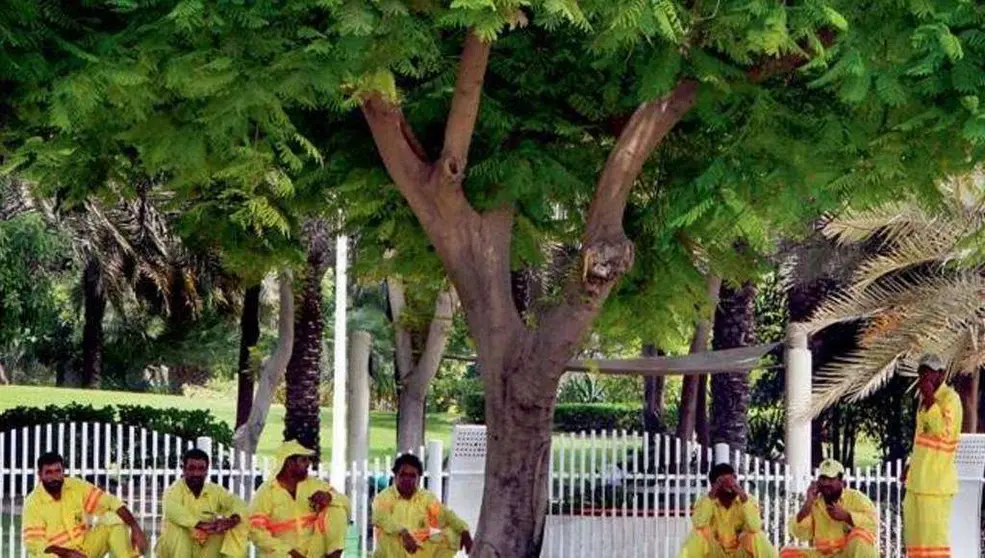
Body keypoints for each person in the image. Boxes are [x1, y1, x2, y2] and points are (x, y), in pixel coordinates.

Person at [22, 452, 148, 558]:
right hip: (57, 555)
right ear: (40, 475)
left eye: (57, 471)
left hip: (84, 550)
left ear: (63, 471)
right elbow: (34, 543)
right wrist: (68, 553)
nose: (54, 477)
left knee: (113, 518)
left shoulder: (75, 486)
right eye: (48, 472)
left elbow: (110, 502)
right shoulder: (33, 502)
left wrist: (135, 527)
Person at [903, 353, 962, 558]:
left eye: (929, 373)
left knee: (934, 546)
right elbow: (922, 440)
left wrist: (929, 398)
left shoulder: (950, 399)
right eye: (921, 374)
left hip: (935, 486)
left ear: (941, 374)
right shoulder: (925, 402)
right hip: (917, 482)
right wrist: (911, 465)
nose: (925, 378)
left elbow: (941, 431)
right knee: (915, 544)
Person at [248, 440, 350, 558]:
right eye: (303, 460)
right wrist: (288, 552)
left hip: (314, 552)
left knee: (336, 507)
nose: (308, 464)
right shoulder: (266, 491)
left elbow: (346, 503)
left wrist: (329, 497)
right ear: (289, 463)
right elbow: (255, 530)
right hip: (281, 554)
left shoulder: (315, 484)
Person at [371, 453, 473, 558]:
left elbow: (446, 515)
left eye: (412, 476)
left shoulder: (426, 498)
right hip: (391, 554)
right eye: (403, 474)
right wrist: (403, 532)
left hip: (417, 551)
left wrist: (464, 530)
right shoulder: (384, 497)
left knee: (454, 535)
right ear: (396, 475)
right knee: (390, 535)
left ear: (419, 478)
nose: (407, 479)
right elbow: (381, 518)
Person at [156, 447, 249, 558]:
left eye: (201, 469)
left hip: (204, 546)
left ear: (206, 470)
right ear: (184, 469)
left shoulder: (214, 491)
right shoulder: (173, 491)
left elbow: (236, 502)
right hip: (177, 549)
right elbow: (173, 511)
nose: (196, 473)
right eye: (191, 468)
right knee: (179, 529)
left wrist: (232, 520)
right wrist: (200, 525)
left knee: (235, 525)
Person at [677, 463, 778, 558]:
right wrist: (715, 490)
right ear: (714, 485)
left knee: (755, 534)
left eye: (732, 479)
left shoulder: (747, 500)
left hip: (740, 553)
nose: (729, 484)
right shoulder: (705, 501)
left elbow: (755, 526)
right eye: (723, 481)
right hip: (715, 552)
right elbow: (699, 523)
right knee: (699, 532)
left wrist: (741, 494)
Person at [780, 459, 877, 558]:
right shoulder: (815, 503)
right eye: (823, 479)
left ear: (841, 481)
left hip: (847, 554)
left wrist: (846, 516)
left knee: (861, 536)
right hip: (823, 555)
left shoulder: (856, 498)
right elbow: (799, 533)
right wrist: (808, 503)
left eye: (831, 479)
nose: (826, 484)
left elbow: (873, 524)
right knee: (787, 553)